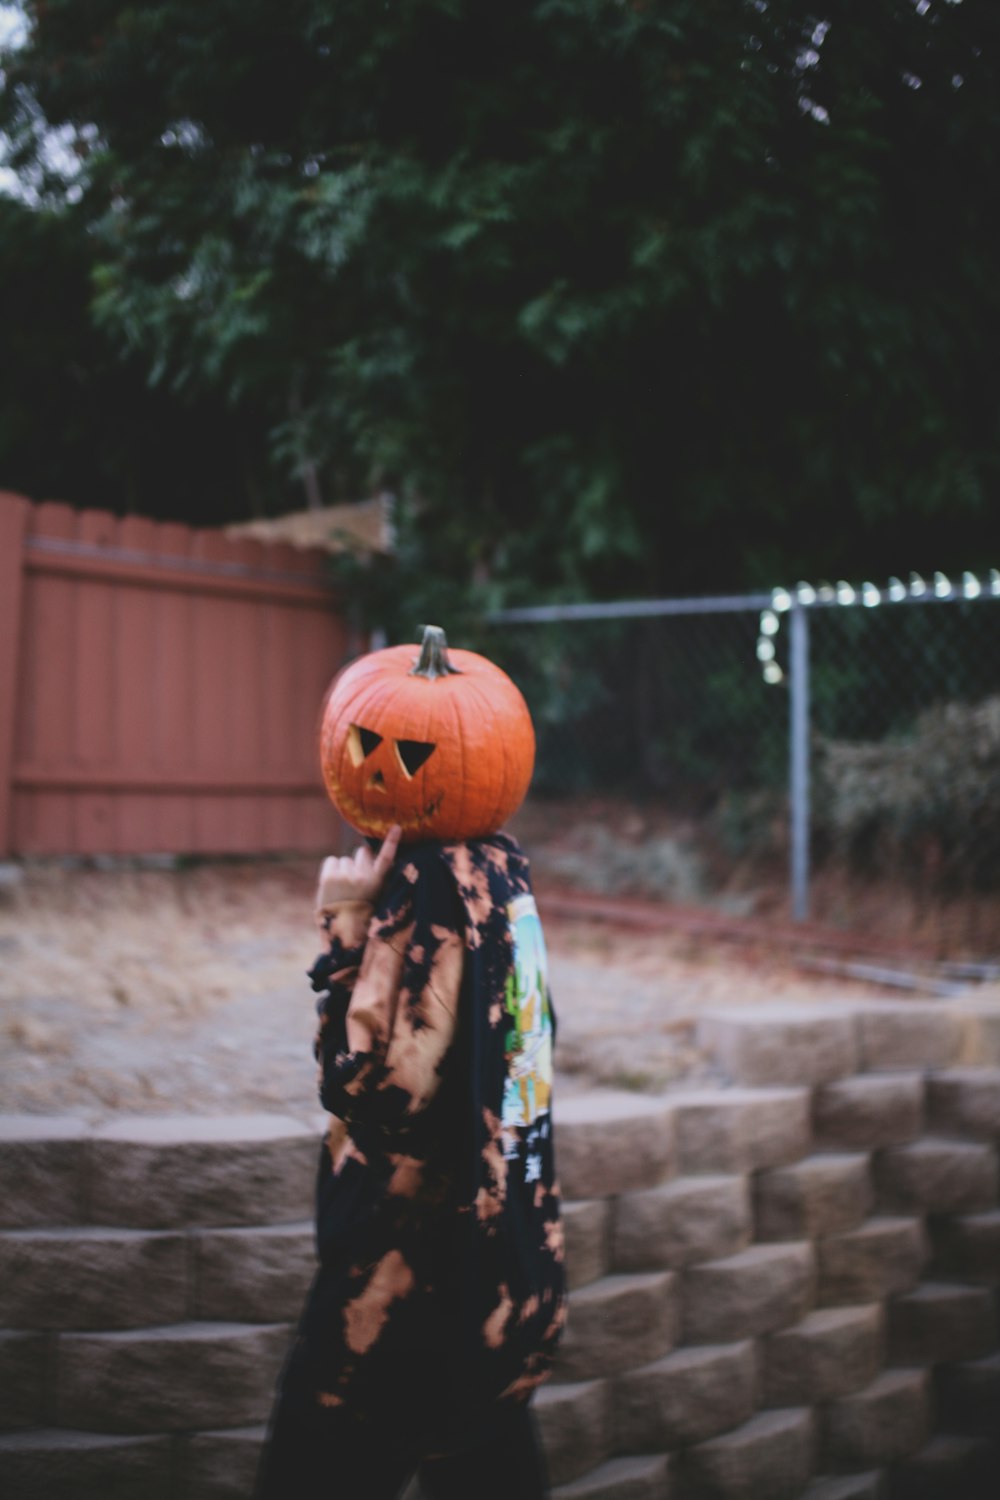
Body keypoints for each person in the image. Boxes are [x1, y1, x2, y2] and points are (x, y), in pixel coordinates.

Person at [255, 770, 566, 1497]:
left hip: (401, 1283)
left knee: (315, 1460)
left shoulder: (427, 886)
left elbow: (367, 1085)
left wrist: (345, 927)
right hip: (504, 1267)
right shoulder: (503, 873)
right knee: (486, 1454)